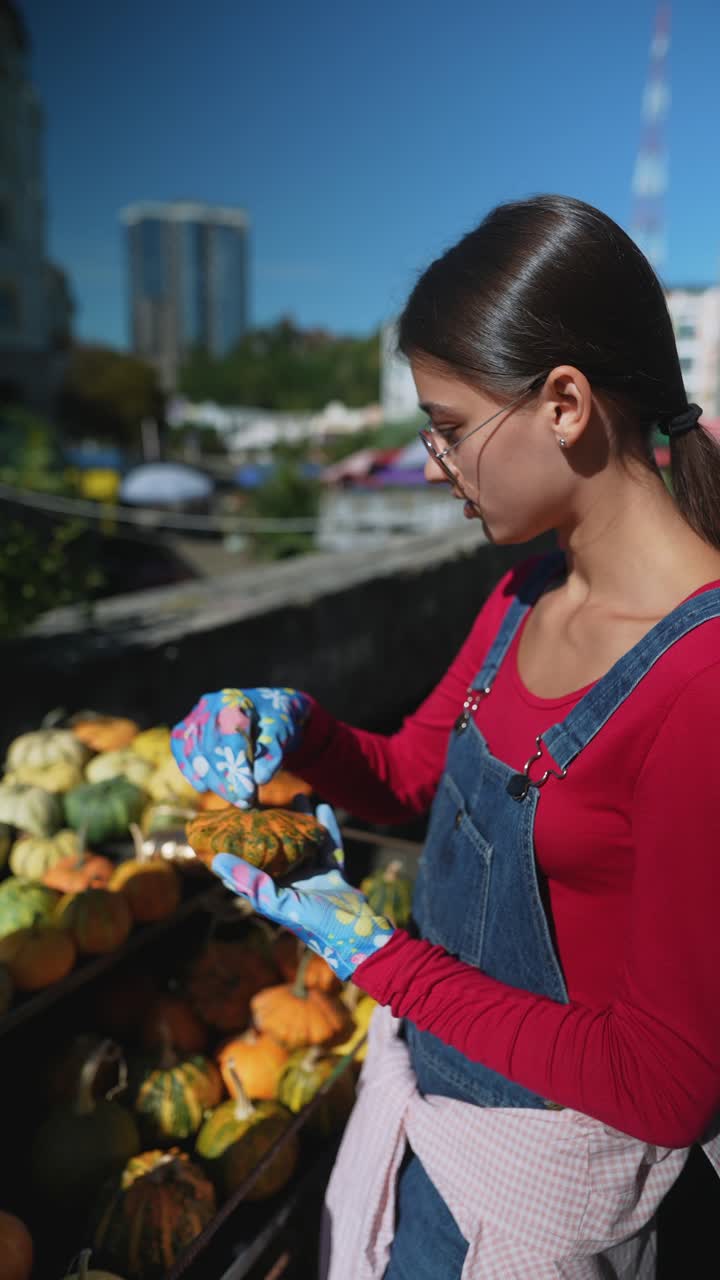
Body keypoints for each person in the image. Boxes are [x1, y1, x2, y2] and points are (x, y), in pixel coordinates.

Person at [171, 194, 720, 1279]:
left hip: (549, 1205)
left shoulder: (700, 683)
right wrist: (300, 728)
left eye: (452, 426)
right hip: (433, 1126)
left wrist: (377, 956)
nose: (433, 464)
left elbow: (666, 1078)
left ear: (565, 403)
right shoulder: (526, 591)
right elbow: (420, 774)